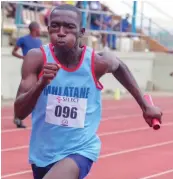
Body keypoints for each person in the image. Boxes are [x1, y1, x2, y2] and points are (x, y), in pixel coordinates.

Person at [14, 4, 162, 179]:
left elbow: (119, 66)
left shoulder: (96, 62)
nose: (61, 32)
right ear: (48, 29)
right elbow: (20, 113)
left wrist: (144, 105)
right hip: (42, 154)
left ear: (81, 32)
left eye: (69, 27)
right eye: (55, 26)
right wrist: (41, 84)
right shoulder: (36, 58)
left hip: (80, 149)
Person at [12, 21, 42, 128]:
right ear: (35, 29)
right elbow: (14, 52)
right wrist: (23, 58)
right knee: (24, 89)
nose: (40, 30)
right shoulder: (23, 39)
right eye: (39, 28)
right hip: (28, 68)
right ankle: (17, 117)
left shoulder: (39, 41)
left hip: (39, 68)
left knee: (38, 92)